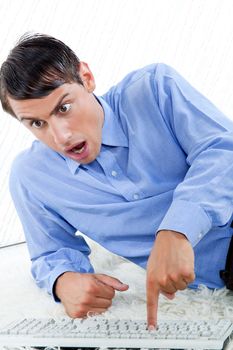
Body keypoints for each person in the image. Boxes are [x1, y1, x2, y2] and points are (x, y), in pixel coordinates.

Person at [1, 33, 233, 329]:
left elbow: (222, 149)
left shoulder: (153, 88)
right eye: (37, 123)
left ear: (86, 78)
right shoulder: (31, 177)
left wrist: (177, 230)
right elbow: (51, 252)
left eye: (64, 108)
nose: (61, 137)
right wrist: (63, 281)